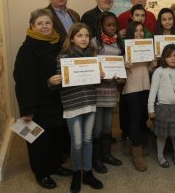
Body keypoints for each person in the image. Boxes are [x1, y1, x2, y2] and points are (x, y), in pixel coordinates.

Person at [14, 9, 72, 190]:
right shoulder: (26, 50)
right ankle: (42, 173)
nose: (45, 26)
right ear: (32, 26)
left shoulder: (57, 43)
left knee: (56, 137)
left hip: (57, 100)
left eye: (47, 23)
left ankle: (55, 166)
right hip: (38, 104)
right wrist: (27, 109)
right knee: (39, 141)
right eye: (40, 23)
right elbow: (22, 81)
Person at [51, 23, 104, 192]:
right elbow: (58, 85)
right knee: (77, 142)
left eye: (87, 36)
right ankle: (76, 173)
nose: (84, 39)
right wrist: (54, 81)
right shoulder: (63, 58)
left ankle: (87, 173)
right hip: (73, 104)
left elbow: (94, 82)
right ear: (72, 38)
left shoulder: (92, 55)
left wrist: (100, 75)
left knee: (88, 139)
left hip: (89, 102)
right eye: (80, 35)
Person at [91, 12, 124, 174]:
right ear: (101, 26)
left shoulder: (118, 44)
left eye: (114, 25)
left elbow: (120, 66)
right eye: (108, 25)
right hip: (97, 92)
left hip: (111, 92)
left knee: (107, 126)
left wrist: (119, 79)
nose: (112, 28)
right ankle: (96, 159)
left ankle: (106, 155)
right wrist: (101, 77)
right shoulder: (94, 43)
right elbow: (89, 66)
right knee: (96, 128)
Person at [122, 21, 157, 172]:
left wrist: (153, 64)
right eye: (136, 31)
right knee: (135, 120)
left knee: (142, 119)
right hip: (131, 88)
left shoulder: (146, 47)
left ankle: (132, 145)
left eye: (141, 31)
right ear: (130, 32)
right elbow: (119, 72)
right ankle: (137, 155)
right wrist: (124, 65)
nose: (139, 33)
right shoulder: (125, 49)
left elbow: (147, 69)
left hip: (145, 86)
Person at [147, 44, 175, 168]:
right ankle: (160, 156)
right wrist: (150, 109)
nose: (172, 59)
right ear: (164, 58)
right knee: (162, 135)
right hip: (163, 109)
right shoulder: (159, 71)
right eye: (169, 56)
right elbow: (153, 91)